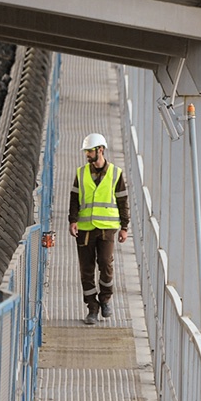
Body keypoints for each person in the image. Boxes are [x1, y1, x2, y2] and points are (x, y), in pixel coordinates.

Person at [68, 132, 129, 325]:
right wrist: (72, 220)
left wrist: (124, 227)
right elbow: (74, 199)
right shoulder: (81, 173)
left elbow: (122, 201)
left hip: (107, 228)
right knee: (86, 269)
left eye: (90, 151)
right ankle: (92, 308)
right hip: (85, 228)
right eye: (86, 151)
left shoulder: (116, 173)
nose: (87, 154)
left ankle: (105, 299)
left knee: (105, 264)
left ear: (100, 150)